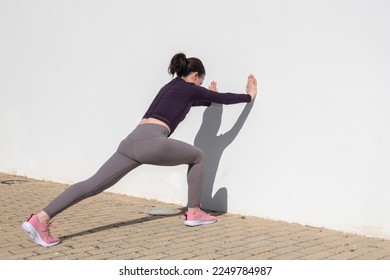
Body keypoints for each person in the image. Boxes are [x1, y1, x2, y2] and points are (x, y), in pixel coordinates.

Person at [22, 53, 258, 247]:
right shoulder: (190, 88)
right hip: (152, 142)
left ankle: (40, 218)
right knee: (198, 156)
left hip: (131, 141)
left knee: (92, 184)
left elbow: (196, 101)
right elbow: (224, 98)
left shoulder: (172, 87)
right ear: (195, 76)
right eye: (201, 81)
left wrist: (209, 97)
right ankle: (194, 212)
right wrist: (248, 96)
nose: (201, 86)